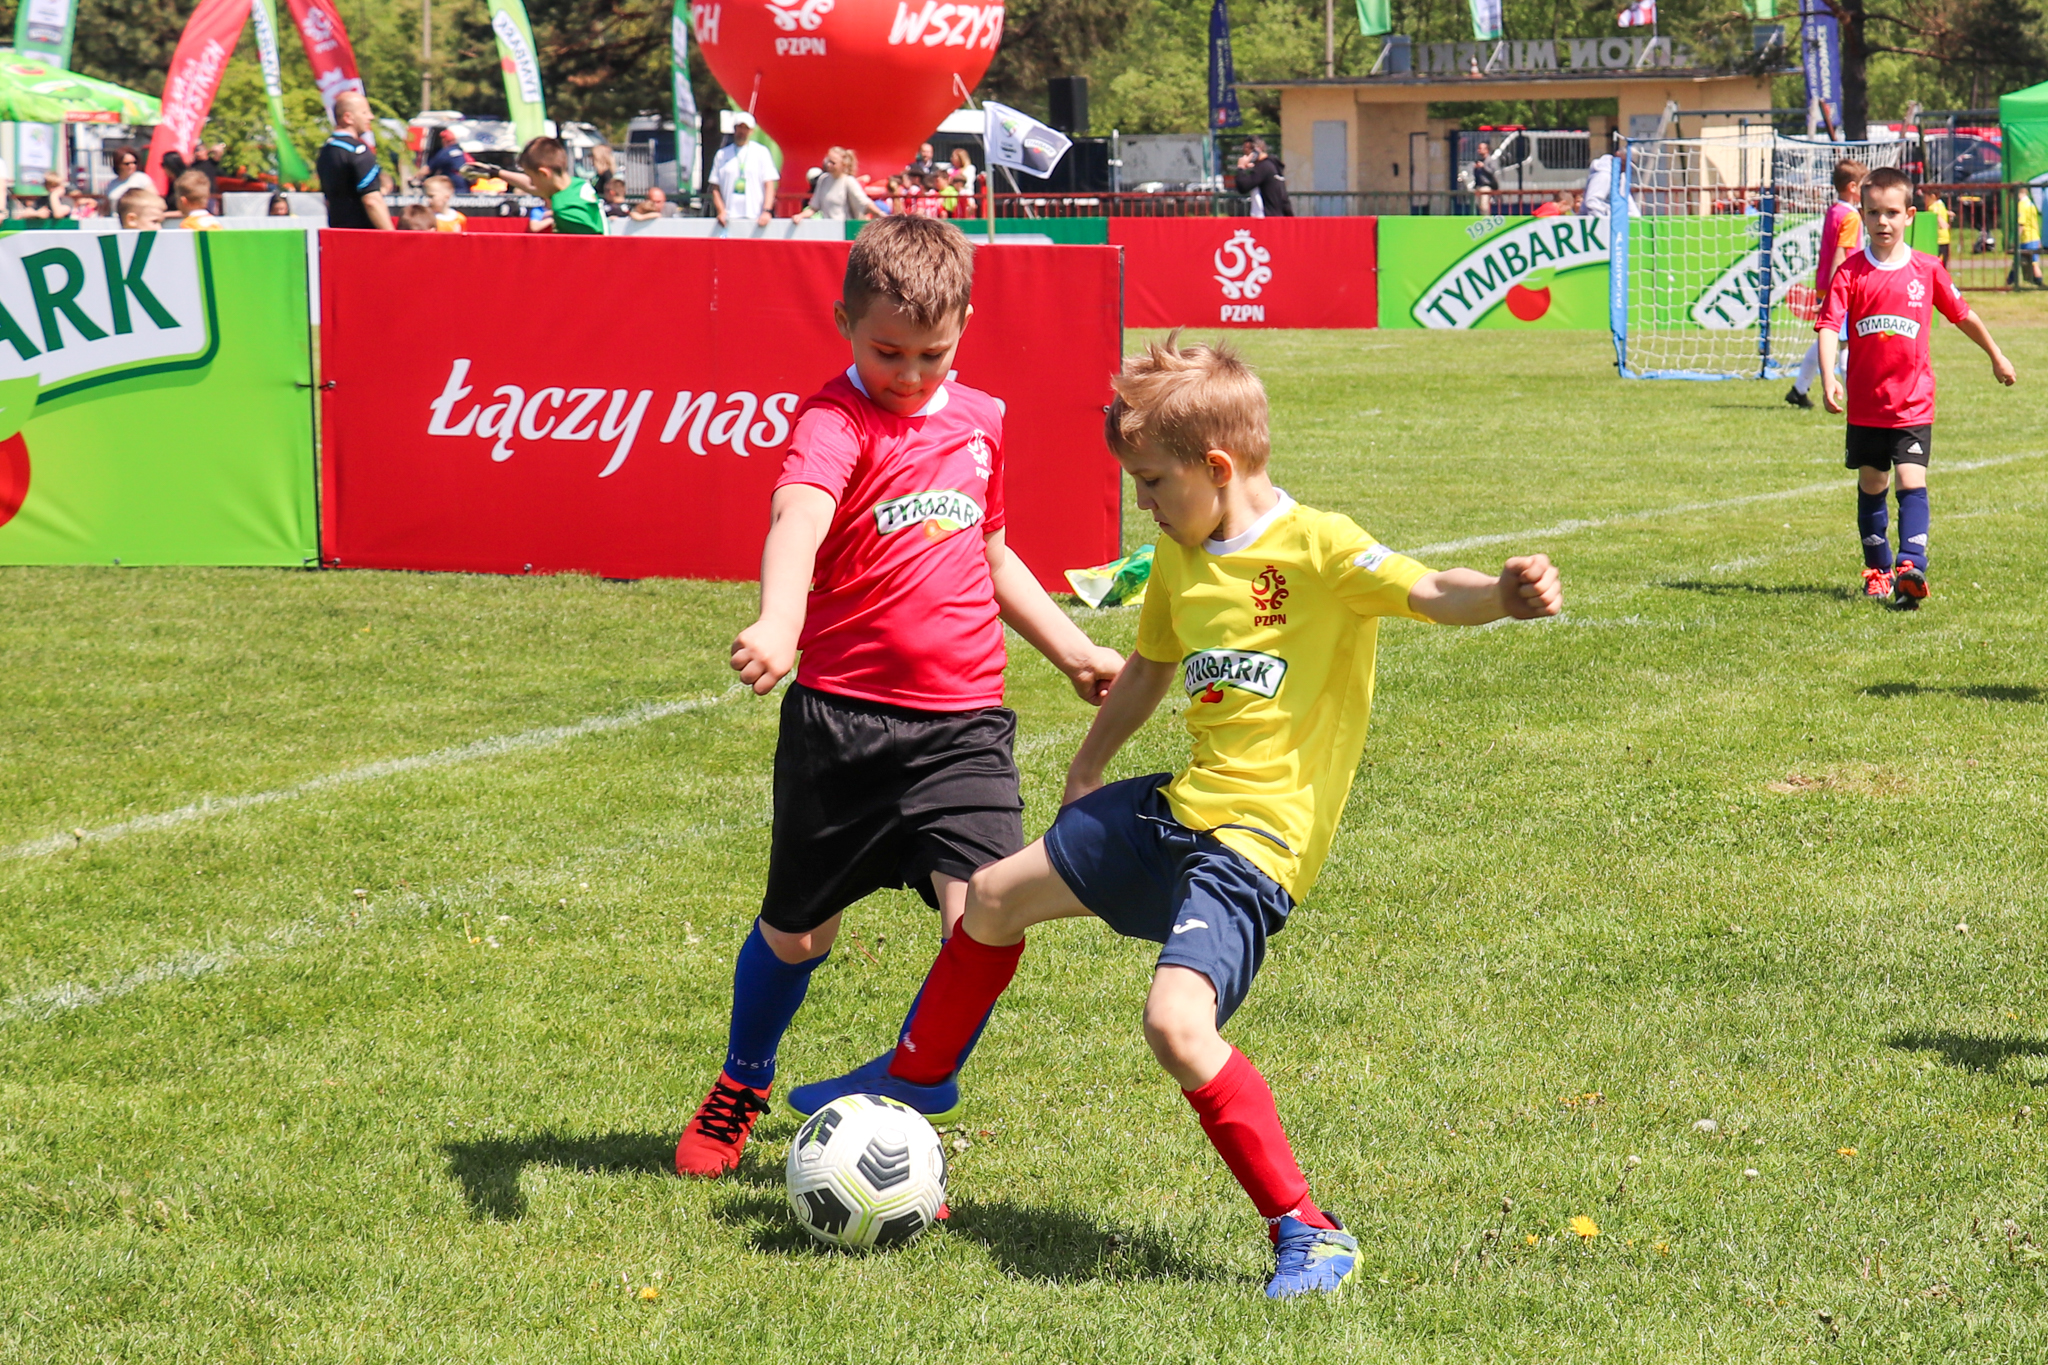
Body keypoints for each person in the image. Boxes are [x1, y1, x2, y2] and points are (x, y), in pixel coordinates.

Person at [786, 334, 1562, 1298]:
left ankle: (1309, 1230)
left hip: (1252, 849)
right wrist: (1086, 768)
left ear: (1218, 467)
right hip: (1176, 812)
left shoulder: (1319, 547)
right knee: (990, 897)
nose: (1143, 504)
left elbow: (1432, 591)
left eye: (1152, 483)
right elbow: (1150, 667)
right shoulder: (1180, 558)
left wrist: (1502, 597)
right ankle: (918, 1077)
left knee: (1176, 1026)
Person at [672, 214, 1125, 1179]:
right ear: (844, 323)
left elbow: (991, 552)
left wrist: (1073, 649)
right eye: (888, 352)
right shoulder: (834, 421)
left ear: (965, 330)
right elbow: (798, 517)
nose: (910, 374)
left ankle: (911, 1090)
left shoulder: (982, 420)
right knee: (800, 932)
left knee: (985, 918)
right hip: (842, 723)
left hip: (964, 726)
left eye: (933, 354)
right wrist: (781, 620)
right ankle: (742, 1081)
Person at [1816, 166, 2016, 608]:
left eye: (1891, 212)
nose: (1882, 222)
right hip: (1866, 406)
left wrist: (1996, 355)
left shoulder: (1927, 269)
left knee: (1911, 480)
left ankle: (1910, 567)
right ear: (1862, 215)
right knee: (1873, 483)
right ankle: (1878, 571)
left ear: (1909, 215)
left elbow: (1962, 315)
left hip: (1912, 404)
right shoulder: (1850, 273)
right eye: (1873, 213)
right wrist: (1829, 376)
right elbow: (1829, 326)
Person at [1786, 158, 1865, 410]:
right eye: (1864, 185)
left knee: (1826, 337)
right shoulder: (1851, 217)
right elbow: (1841, 256)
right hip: (1841, 287)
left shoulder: (1834, 211)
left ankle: (1799, 389)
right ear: (1852, 187)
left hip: (1827, 284)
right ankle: (1856, 401)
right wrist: (1835, 293)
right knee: (1846, 342)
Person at [317, 92, 392, 230]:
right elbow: (372, 201)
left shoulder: (326, 151)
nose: (371, 117)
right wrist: (392, 236)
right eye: (365, 112)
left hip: (338, 233)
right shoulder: (358, 151)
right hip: (362, 234)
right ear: (348, 118)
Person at [517, 136, 604, 235]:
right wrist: (502, 173)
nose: (532, 183)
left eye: (532, 178)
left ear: (543, 174)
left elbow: (594, 241)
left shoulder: (564, 210)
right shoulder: (578, 184)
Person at [710, 111, 778, 231]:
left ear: (751, 131)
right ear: (734, 129)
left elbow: (769, 184)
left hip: (756, 217)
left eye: (746, 128)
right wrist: (721, 211)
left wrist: (767, 211)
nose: (742, 131)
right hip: (729, 218)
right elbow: (715, 187)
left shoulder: (761, 152)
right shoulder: (722, 154)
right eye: (739, 127)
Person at [797, 147, 877, 221]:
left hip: (845, 227)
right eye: (828, 161)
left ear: (843, 165)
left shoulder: (848, 181)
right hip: (828, 227)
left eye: (833, 163)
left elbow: (864, 203)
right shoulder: (823, 180)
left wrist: (880, 214)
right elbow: (814, 207)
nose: (828, 165)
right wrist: (800, 216)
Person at [1233, 138, 1292, 218]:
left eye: (1247, 151)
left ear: (1257, 151)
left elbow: (1243, 186)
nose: (1245, 156)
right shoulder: (1273, 166)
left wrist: (1241, 167)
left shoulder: (1263, 167)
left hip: (1264, 218)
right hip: (1277, 216)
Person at [1581, 138, 1639, 218]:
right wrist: (1603, 221)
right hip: (1596, 222)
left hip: (1614, 221)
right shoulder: (1604, 175)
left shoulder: (1621, 175)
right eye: (1624, 163)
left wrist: (1636, 217)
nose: (1626, 168)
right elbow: (1592, 202)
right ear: (1617, 155)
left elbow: (1628, 201)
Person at [2011, 190, 2043, 289]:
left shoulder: (2022, 205)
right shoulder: (2031, 204)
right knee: (2033, 262)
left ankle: (2040, 284)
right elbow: (2035, 222)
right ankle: (2010, 282)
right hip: (2034, 237)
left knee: (2028, 263)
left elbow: (2021, 224)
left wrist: (2016, 239)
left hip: (2027, 238)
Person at [1924, 189, 1951, 268]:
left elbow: (1937, 216)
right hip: (1945, 237)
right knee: (1943, 262)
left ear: (1933, 196)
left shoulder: (1932, 207)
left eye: (1926, 198)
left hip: (1938, 238)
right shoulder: (1941, 204)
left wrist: (1943, 223)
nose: (1924, 200)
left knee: (1936, 262)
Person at [1470, 139, 1498, 214]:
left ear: (1486, 150)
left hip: (1486, 186)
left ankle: (1485, 218)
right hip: (1478, 186)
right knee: (1478, 206)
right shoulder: (1479, 160)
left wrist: (1483, 167)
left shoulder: (1490, 160)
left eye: (1480, 148)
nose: (1478, 150)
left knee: (1484, 206)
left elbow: (1492, 172)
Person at [949, 147, 979, 218]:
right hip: (954, 195)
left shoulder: (970, 168)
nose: (951, 159)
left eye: (953, 157)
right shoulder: (950, 170)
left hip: (966, 194)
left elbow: (968, 181)